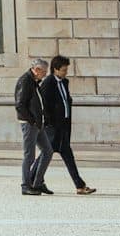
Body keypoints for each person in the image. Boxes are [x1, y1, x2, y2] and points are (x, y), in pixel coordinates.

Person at [40, 55, 94, 194]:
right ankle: (31, 180)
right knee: (46, 155)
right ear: (55, 70)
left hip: (64, 126)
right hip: (53, 127)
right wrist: (49, 123)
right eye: (63, 70)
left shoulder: (64, 82)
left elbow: (65, 101)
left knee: (67, 156)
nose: (65, 72)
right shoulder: (48, 83)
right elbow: (45, 105)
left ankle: (80, 185)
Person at [15, 56, 54, 195]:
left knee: (48, 151)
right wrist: (31, 121)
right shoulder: (25, 81)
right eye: (44, 71)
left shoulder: (35, 81)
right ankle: (25, 186)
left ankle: (37, 183)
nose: (46, 74)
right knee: (29, 156)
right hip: (30, 124)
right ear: (36, 70)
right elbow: (20, 105)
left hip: (38, 124)